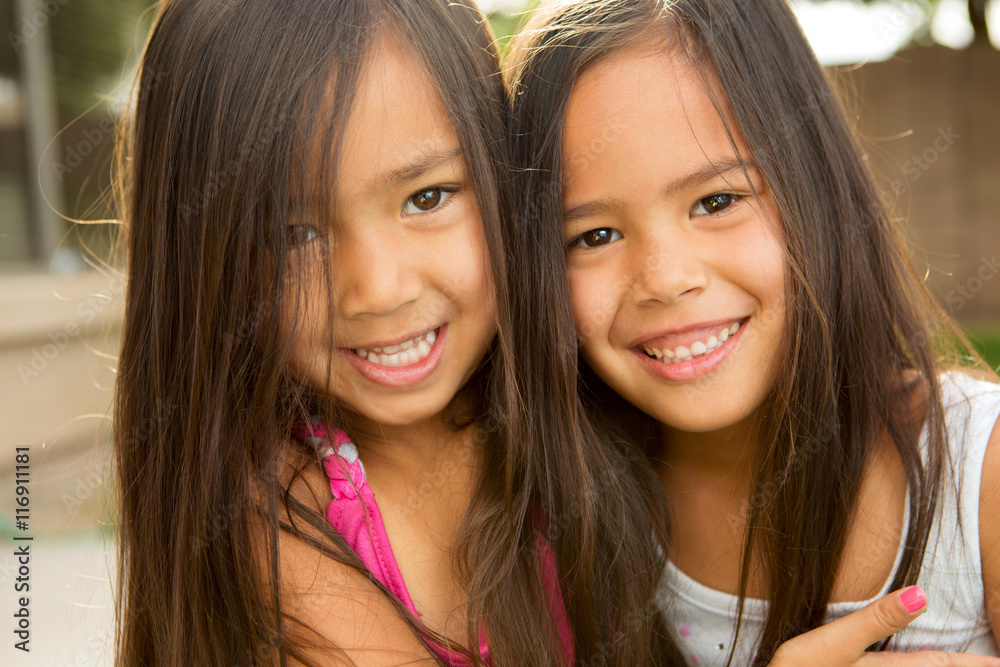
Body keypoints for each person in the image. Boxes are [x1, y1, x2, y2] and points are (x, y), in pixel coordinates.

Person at [110, 0, 671, 664]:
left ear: (509, 174)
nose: (378, 289)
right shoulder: (268, 508)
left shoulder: (594, 401)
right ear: (204, 264)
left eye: (427, 197)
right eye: (293, 235)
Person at [506, 0, 1000, 664]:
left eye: (717, 200)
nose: (664, 278)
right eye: (593, 235)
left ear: (817, 188)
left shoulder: (979, 473)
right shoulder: (553, 520)